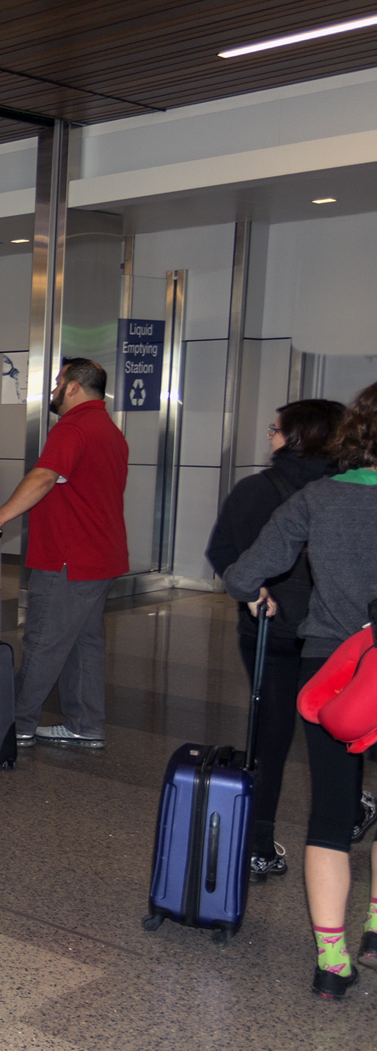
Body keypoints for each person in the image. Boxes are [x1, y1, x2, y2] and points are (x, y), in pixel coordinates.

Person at [224, 380, 377, 1002]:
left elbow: (242, 574)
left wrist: (256, 594)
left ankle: (331, 963)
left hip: (335, 672)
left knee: (331, 818)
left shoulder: (318, 498)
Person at [206, 399, 353, 882]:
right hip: (339, 642)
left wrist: (253, 591)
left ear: (295, 436)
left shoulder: (255, 489)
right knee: (341, 737)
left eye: (275, 429)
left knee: (270, 735)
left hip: (270, 630)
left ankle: (259, 843)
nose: (270, 436)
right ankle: (348, 812)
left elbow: (224, 553)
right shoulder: (349, 495)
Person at [0, 358, 129, 748]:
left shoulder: (73, 428)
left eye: (59, 383)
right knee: (84, 643)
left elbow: (43, 477)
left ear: (74, 387)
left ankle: (16, 724)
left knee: (43, 641)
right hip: (100, 556)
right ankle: (85, 723)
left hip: (68, 557)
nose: (55, 390)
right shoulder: (110, 431)